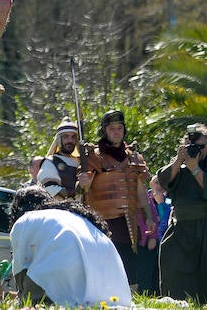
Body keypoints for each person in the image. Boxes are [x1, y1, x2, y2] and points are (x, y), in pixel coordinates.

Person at [157, 123, 207, 305]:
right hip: (182, 227)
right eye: (190, 146)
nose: (195, 150)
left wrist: (195, 169)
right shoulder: (179, 164)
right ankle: (177, 305)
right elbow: (162, 181)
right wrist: (178, 161)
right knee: (172, 264)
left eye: (200, 147)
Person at [8, 186, 132, 306]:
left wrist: (21, 298)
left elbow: (20, 269)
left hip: (66, 291)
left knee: (29, 288)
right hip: (116, 294)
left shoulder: (25, 220)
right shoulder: (74, 216)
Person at [79, 109, 154, 286]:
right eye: (112, 128)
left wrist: (149, 216)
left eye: (119, 128)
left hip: (129, 223)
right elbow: (83, 189)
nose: (116, 132)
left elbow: (139, 190)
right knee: (105, 268)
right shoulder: (94, 157)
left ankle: (130, 302)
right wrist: (83, 182)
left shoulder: (134, 157)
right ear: (105, 131)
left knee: (130, 270)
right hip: (103, 222)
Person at [37, 117, 81, 199]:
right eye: (66, 137)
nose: (70, 140)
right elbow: (50, 189)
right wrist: (79, 190)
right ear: (59, 139)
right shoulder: (50, 162)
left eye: (73, 137)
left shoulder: (81, 162)